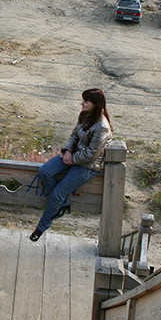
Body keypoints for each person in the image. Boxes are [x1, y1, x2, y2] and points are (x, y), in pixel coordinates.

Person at [29, 88, 113, 242]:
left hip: (87, 166)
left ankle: (42, 226)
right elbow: (74, 135)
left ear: (96, 104)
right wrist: (67, 150)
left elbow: (91, 154)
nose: (82, 103)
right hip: (72, 155)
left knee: (58, 193)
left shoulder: (102, 127)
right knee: (44, 171)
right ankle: (64, 203)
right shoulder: (85, 115)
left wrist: (72, 158)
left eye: (86, 101)